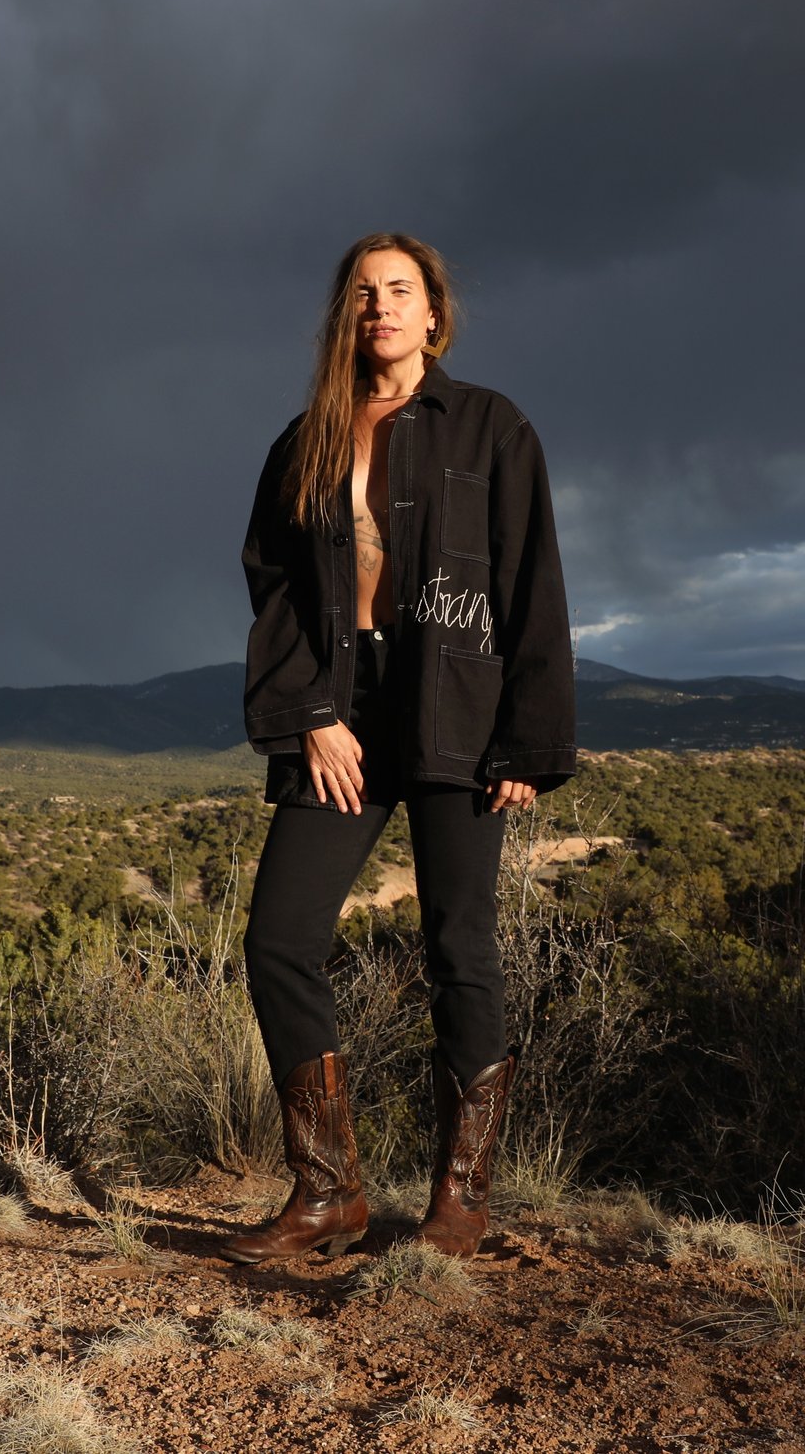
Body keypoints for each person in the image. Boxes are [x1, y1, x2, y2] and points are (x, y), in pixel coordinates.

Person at [225, 231, 576, 1263]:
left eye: (399, 290)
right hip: (342, 711)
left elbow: (531, 584)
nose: (379, 307)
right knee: (278, 937)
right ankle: (328, 1192)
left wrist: (527, 736)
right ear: (346, 318)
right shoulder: (307, 440)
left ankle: (458, 1201)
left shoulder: (490, 426)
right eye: (362, 294)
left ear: (433, 314)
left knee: (458, 947)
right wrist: (309, 713)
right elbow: (275, 583)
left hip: (457, 707)